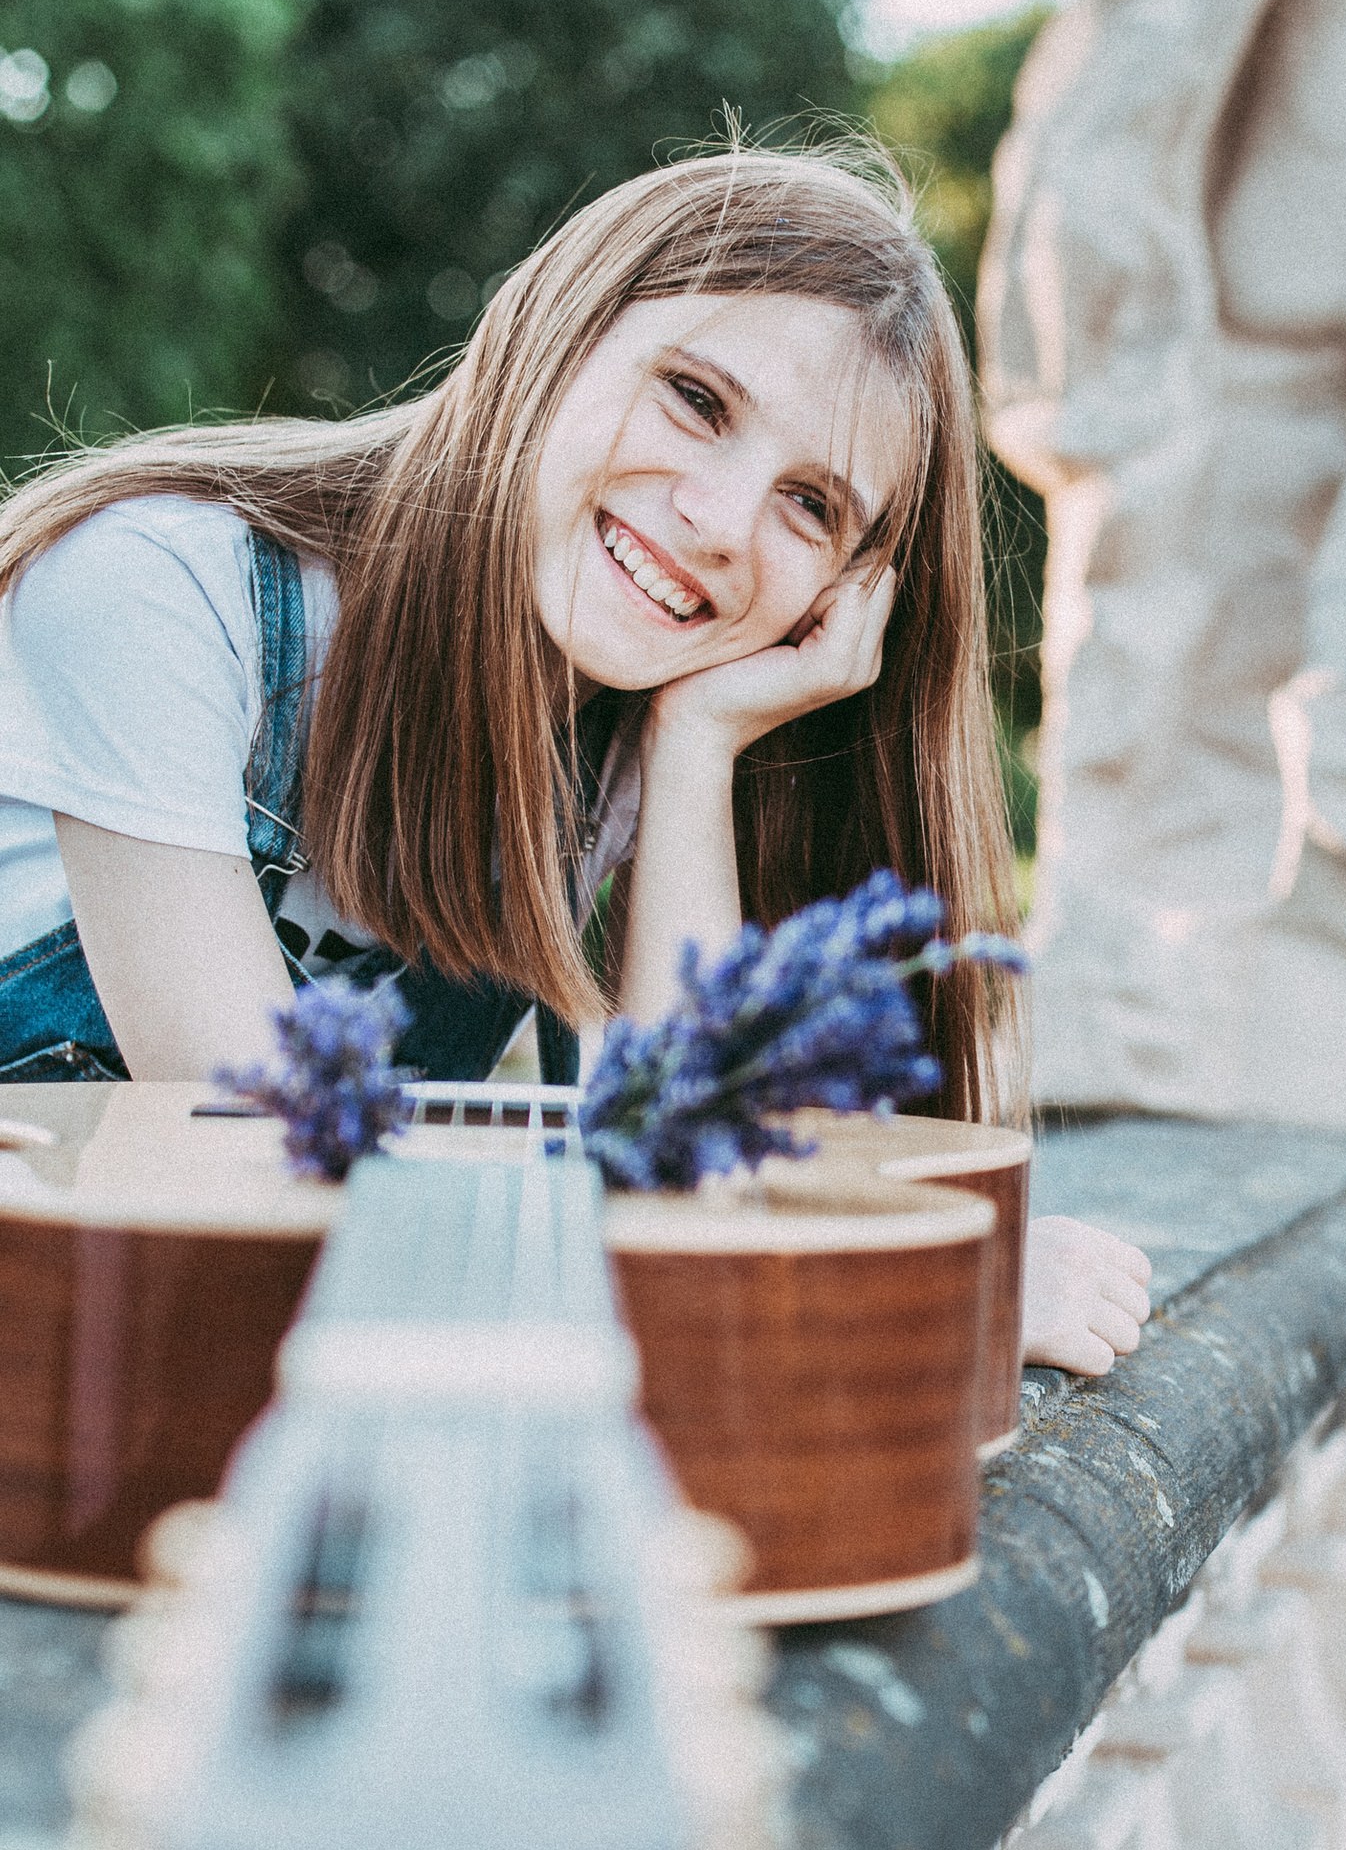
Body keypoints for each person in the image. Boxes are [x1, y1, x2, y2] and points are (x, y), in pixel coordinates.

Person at [0, 143, 1148, 1374]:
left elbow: (691, 1208)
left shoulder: (622, 733)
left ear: (846, 592)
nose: (718, 522)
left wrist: (696, 745)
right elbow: (265, 1183)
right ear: (554, 328)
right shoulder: (162, 592)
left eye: (811, 506)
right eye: (696, 400)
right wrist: (919, 1298)